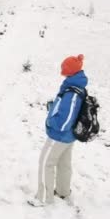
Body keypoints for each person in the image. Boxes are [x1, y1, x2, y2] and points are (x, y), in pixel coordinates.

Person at [31, 54, 88, 206]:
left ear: (69, 71)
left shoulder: (71, 92)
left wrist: (51, 122)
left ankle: (43, 197)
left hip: (59, 135)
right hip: (69, 137)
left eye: (64, 68)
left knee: (46, 163)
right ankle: (63, 192)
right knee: (64, 163)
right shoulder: (77, 86)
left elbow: (65, 119)